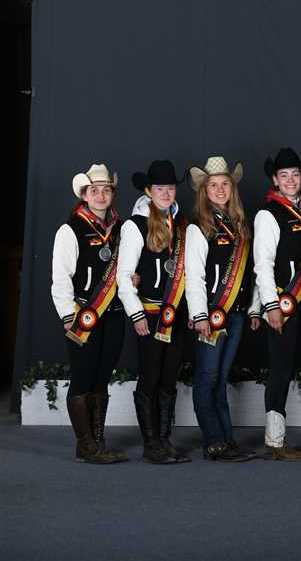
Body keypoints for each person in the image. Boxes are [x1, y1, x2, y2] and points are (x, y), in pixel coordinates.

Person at [51, 163, 129, 464]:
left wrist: (133, 277)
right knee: (83, 376)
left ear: (112, 194)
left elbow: (128, 267)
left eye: (106, 190)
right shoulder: (70, 229)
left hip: (115, 313)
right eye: (94, 190)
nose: (100, 195)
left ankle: (98, 442)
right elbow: (61, 278)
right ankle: (85, 445)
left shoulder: (122, 228)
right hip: (83, 314)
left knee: (102, 377)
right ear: (84, 195)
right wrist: (68, 316)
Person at [185, 157, 260, 462]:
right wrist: (199, 315)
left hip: (237, 313)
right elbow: (194, 276)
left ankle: (226, 438)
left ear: (232, 188)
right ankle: (213, 441)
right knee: (207, 376)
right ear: (204, 191)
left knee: (221, 377)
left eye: (225, 184)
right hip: (212, 314)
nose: (219, 189)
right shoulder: (199, 227)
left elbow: (250, 273)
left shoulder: (239, 225)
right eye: (213, 185)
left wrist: (254, 308)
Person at [117, 160, 191, 465]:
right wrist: (136, 314)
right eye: (160, 188)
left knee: (169, 378)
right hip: (149, 314)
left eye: (170, 187)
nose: (166, 193)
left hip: (175, 313)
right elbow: (124, 276)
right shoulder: (135, 225)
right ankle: (151, 444)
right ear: (148, 191)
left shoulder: (181, 224)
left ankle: (164, 439)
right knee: (150, 376)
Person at [253, 147, 301, 462]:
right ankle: (275, 441)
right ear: (275, 180)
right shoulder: (268, 213)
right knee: (279, 369)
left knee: (289, 366)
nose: (290, 180)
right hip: (282, 301)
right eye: (284, 175)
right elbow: (262, 264)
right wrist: (270, 305)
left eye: (295, 174)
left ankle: (278, 438)